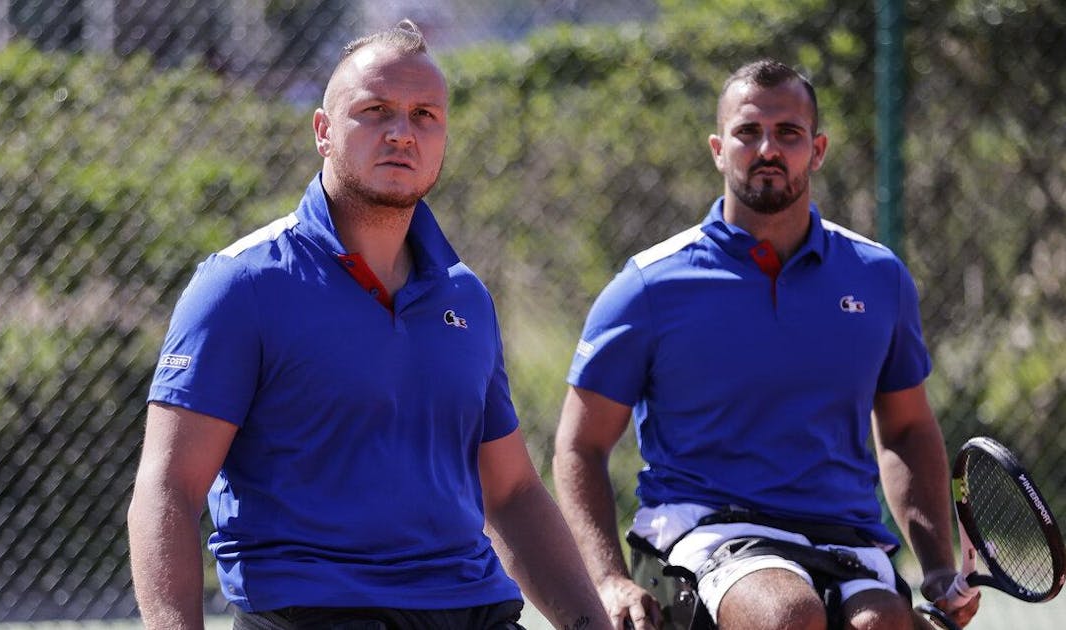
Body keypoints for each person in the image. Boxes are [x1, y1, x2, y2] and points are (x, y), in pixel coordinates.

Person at [127, 20, 608, 630]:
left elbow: (511, 493)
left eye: (424, 115)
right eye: (375, 110)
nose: (402, 133)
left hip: (472, 607)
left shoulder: (466, 296)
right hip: (318, 609)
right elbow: (168, 486)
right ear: (323, 132)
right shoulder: (242, 283)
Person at [552, 59, 981, 630]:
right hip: (704, 529)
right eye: (748, 132)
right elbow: (578, 448)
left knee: (883, 626)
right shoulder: (648, 284)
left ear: (818, 149)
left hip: (844, 538)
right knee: (787, 614)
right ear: (717, 148)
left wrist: (935, 570)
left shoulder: (880, 277)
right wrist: (608, 579)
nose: (767, 149)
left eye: (788, 133)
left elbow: (905, 429)